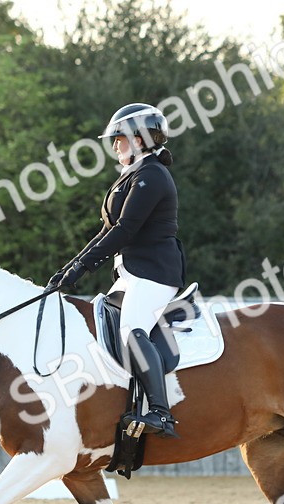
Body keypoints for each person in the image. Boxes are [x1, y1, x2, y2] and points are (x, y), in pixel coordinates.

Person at [48, 103, 187, 438]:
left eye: (119, 139)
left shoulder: (151, 176)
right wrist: (70, 268)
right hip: (130, 275)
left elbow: (124, 230)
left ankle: (160, 412)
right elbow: (106, 231)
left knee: (131, 329)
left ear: (139, 139)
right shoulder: (133, 176)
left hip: (154, 273)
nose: (114, 146)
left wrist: (82, 267)